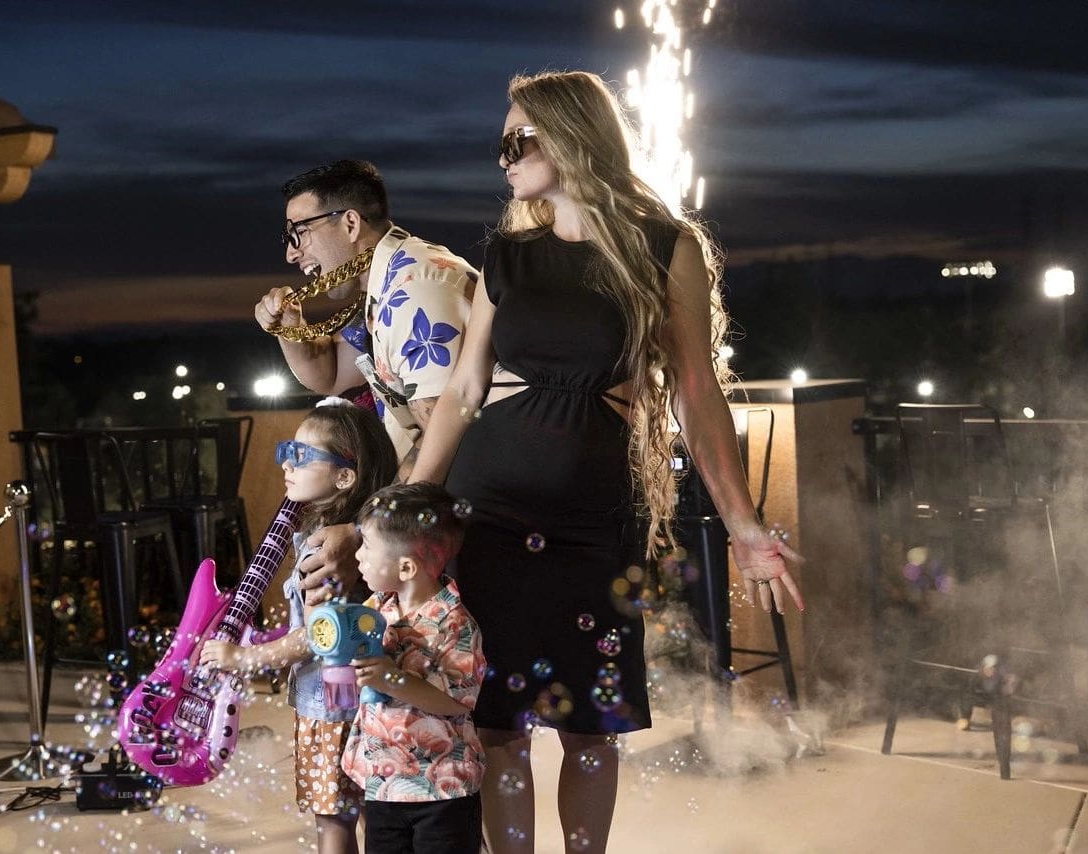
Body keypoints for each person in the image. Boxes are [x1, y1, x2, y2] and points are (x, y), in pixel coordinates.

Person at [409, 71, 805, 853]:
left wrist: (743, 524)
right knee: (497, 724)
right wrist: (408, 500)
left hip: (594, 517)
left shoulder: (665, 247)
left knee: (593, 725)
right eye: (500, 144)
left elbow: (696, 392)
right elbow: (463, 389)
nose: (503, 158)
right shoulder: (507, 255)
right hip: (486, 508)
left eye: (517, 140)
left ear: (570, 135)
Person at [254, 160, 477, 607]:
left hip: (463, 511)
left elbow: (447, 431)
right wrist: (289, 328)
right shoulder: (382, 283)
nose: (291, 253)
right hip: (430, 508)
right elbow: (332, 376)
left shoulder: (414, 288)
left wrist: (364, 532)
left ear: (350, 223)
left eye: (297, 233)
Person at [199, 398, 398, 854]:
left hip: (330, 706)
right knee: (377, 815)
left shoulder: (321, 550)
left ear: (344, 477)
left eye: (303, 455)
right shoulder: (356, 541)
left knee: (333, 821)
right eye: (287, 449)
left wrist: (244, 658)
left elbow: (317, 637)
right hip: (358, 698)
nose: (288, 462)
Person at [341, 482, 486, 854]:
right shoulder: (376, 608)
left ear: (406, 566)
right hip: (383, 784)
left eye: (367, 547)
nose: (358, 556)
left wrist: (390, 677)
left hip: (440, 789)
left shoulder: (456, 625)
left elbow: (455, 701)